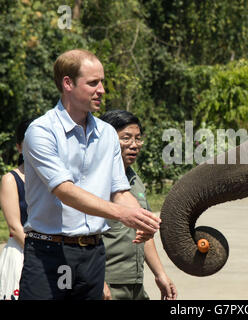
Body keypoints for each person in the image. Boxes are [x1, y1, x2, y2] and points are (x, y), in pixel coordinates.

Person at [19, 49, 161, 300]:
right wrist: (121, 214)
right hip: (48, 254)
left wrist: (141, 218)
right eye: (93, 82)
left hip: (93, 255)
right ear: (67, 83)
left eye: (102, 82)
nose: (102, 90)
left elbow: (119, 191)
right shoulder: (41, 131)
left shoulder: (107, 133)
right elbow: (65, 190)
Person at [99, 110, 177, 300]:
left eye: (138, 139)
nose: (134, 145)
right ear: (107, 140)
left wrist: (160, 274)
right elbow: (80, 233)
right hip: (108, 283)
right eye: (126, 138)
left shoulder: (135, 180)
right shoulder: (95, 180)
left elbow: (144, 232)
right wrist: (98, 281)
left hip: (134, 283)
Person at [0, 119, 33, 300]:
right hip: (23, 253)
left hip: (52, 252)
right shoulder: (11, 179)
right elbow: (14, 227)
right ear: (19, 147)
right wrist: (39, 254)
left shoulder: (55, 181)